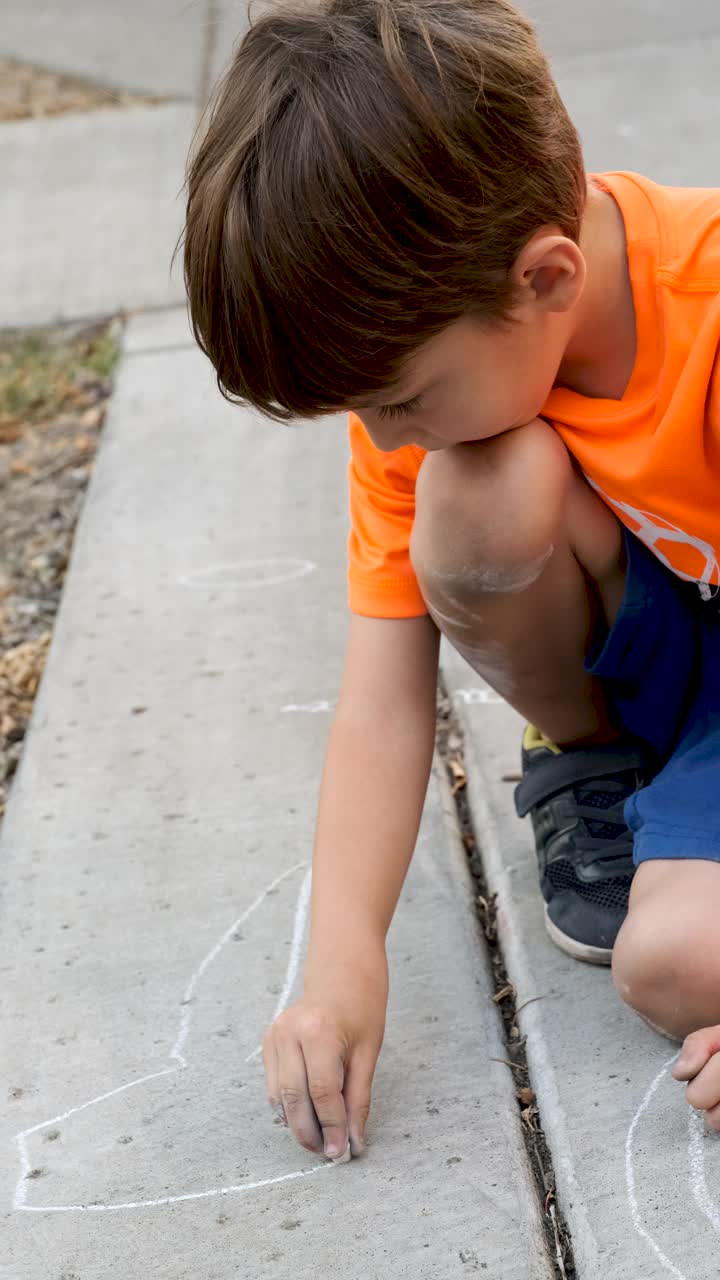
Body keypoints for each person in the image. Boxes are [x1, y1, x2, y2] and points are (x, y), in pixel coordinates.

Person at [182, 0, 720, 1160]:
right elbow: (382, 696)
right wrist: (341, 965)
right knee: (484, 492)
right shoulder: (425, 369)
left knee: (678, 959)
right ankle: (602, 757)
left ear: (545, 278)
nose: (380, 438)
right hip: (695, 670)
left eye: (400, 399)